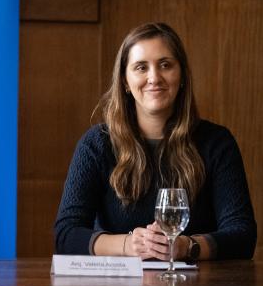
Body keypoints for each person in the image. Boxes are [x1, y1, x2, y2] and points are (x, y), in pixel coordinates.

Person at [54, 22, 256, 261]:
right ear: (125, 81)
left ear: (182, 75)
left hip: (197, 283)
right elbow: (65, 235)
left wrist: (187, 247)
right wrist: (128, 245)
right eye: (141, 67)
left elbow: (243, 235)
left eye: (165, 65)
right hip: (117, 283)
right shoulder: (96, 144)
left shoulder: (217, 142)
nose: (154, 77)